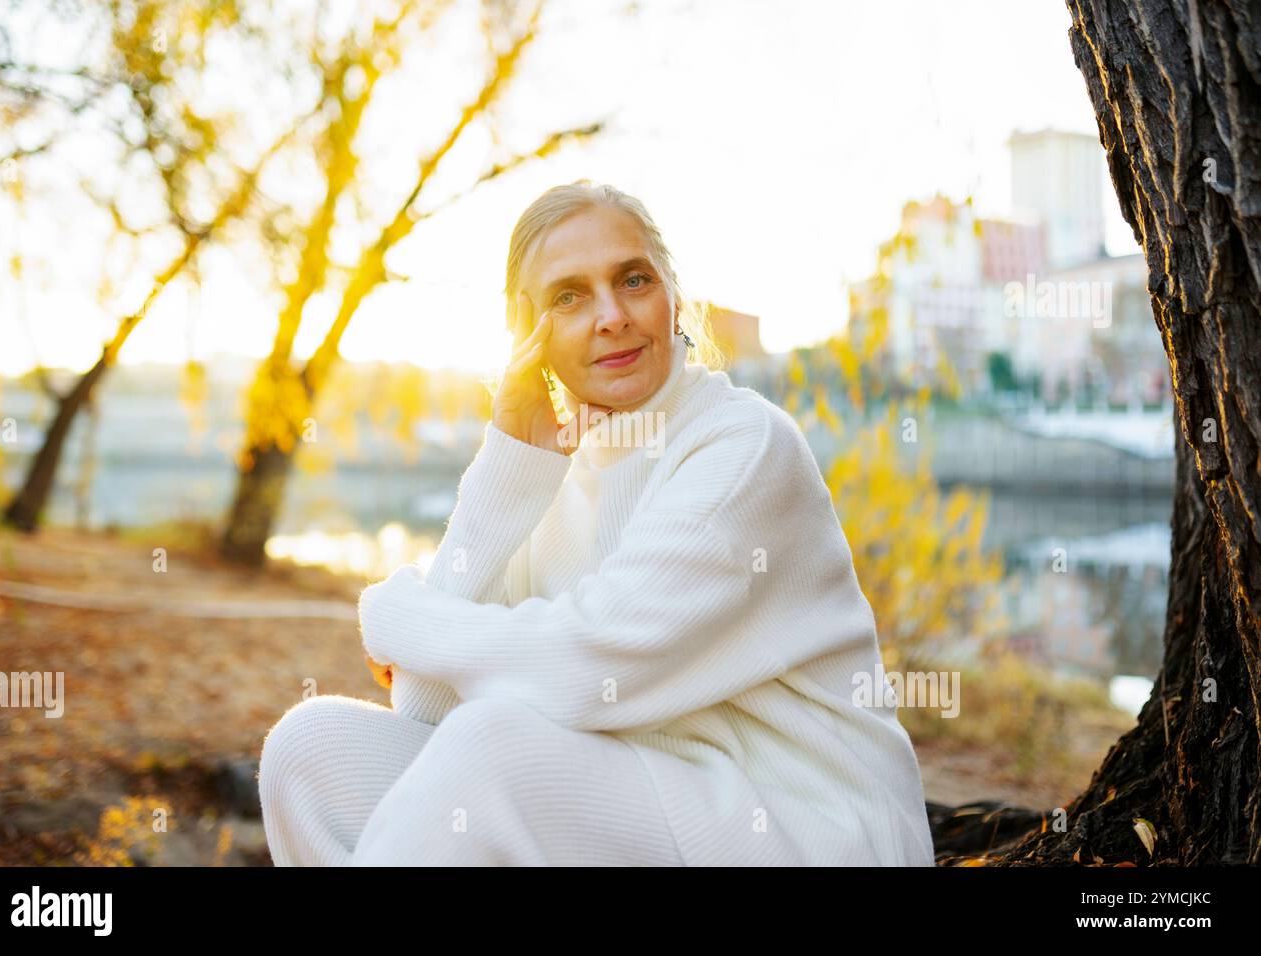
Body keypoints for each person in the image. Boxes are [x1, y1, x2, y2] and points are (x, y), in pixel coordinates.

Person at [257, 180, 936, 867]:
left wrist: (396, 616)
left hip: (806, 824)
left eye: (633, 280)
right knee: (310, 751)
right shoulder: (551, 472)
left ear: (674, 297)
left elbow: (583, 667)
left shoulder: (741, 444)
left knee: (491, 746)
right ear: (527, 331)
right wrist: (508, 466)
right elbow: (424, 703)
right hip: (645, 802)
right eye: (569, 296)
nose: (611, 315)